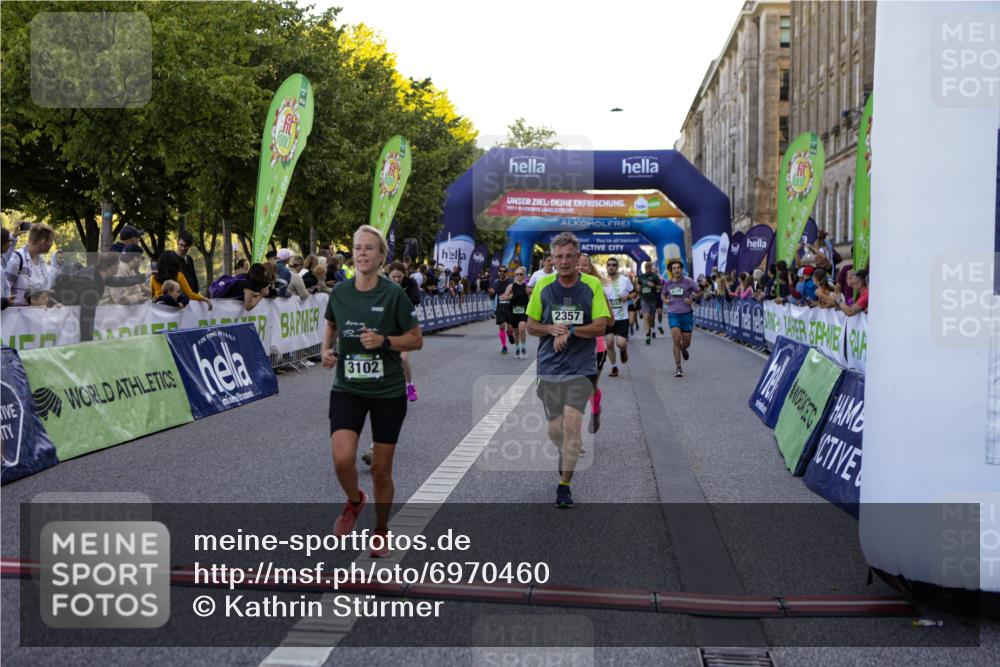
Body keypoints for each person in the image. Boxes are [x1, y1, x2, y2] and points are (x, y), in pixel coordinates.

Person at [322, 225, 422, 557]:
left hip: (388, 392)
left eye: (369, 248)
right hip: (348, 387)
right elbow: (332, 323)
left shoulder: (393, 294)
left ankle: (381, 529)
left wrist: (385, 342)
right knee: (342, 458)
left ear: (381, 256)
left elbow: (416, 339)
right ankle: (355, 501)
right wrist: (326, 349)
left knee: (380, 469)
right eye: (357, 248)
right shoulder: (340, 293)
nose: (362, 253)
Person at [526, 233, 610, 508]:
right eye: (558, 257)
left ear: (577, 258)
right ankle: (564, 448)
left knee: (572, 424)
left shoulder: (591, 286)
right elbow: (531, 325)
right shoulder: (543, 286)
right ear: (552, 259)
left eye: (569, 257)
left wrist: (572, 331)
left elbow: (601, 326)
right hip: (550, 365)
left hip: (580, 367)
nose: (564, 262)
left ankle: (564, 486)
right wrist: (551, 329)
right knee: (555, 430)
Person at [578, 254, 613, 433]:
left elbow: (611, 322)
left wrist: (601, 301)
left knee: (589, 387)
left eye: (585, 265)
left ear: (590, 269)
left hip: (596, 347)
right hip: (572, 346)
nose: (581, 268)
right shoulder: (562, 290)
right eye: (578, 265)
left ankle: (595, 410)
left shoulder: (598, 288)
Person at [662, 259, 702, 378]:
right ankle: (678, 367)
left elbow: (700, 292)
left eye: (678, 268)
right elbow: (663, 294)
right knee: (676, 338)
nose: (676, 270)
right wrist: (665, 300)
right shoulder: (668, 283)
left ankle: (683, 347)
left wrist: (693, 299)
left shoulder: (689, 282)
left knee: (686, 342)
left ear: (681, 269)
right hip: (673, 314)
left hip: (687, 314)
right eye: (674, 268)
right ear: (671, 270)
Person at [3, 223, 54, 306]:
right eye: (51, 241)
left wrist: (54, 304)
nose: (52, 244)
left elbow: (43, 293)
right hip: (16, 316)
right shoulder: (17, 259)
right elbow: (4, 291)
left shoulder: (42, 262)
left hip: (35, 316)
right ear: (43, 242)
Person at [602, 256, 635, 378]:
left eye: (614, 265)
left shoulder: (624, 280)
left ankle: (623, 350)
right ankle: (614, 367)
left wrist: (627, 297)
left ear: (617, 267)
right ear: (606, 267)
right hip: (608, 317)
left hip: (622, 317)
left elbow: (634, 292)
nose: (611, 267)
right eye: (609, 265)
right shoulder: (602, 281)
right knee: (609, 343)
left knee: (620, 343)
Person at [502, 266, 531, 358]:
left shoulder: (527, 287)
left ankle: (523, 348)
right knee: (516, 332)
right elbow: (503, 297)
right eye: (517, 274)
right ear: (514, 275)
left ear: (524, 276)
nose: (519, 275)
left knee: (522, 329)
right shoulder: (511, 286)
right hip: (513, 311)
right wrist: (509, 297)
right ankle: (517, 348)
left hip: (523, 310)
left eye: (521, 274)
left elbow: (531, 299)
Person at [488, 265, 514, 354]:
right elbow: (492, 295)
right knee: (502, 326)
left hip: (510, 308)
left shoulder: (511, 281)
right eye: (500, 271)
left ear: (507, 272)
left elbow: (516, 292)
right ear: (498, 272)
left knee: (510, 329)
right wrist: (491, 292)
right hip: (500, 308)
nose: (502, 273)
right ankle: (504, 347)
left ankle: (510, 334)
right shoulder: (496, 283)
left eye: (504, 271)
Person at [637, 261, 662, 345]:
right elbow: (638, 286)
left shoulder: (655, 277)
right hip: (644, 299)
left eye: (649, 267)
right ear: (645, 268)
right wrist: (638, 288)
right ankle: (647, 335)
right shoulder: (641, 277)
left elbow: (660, 287)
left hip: (653, 299)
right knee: (645, 316)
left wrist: (654, 286)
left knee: (651, 318)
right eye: (646, 267)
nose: (647, 268)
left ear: (651, 267)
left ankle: (650, 329)